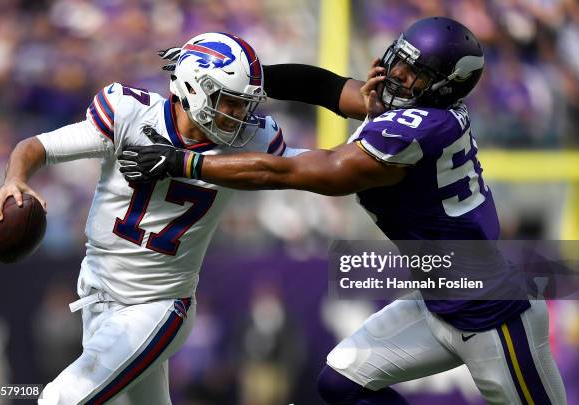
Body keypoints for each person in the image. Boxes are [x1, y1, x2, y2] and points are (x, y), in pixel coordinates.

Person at [120, 17, 567, 404]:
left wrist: (187, 162)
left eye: (414, 74)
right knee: (343, 382)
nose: (397, 76)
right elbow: (326, 87)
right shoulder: (414, 109)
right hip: (440, 302)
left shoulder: (418, 129)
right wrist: (227, 75)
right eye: (400, 61)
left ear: (445, 87)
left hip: (492, 314)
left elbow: (298, 173)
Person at [0, 32, 365, 405]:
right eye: (227, 101)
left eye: (243, 104)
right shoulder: (130, 114)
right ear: (193, 87)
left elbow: (320, 169)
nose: (238, 115)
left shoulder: (253, 141)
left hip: (158, 305)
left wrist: (376, 136)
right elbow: (36, 146)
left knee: (61, 398)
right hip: (96, 294)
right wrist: (15, 179)